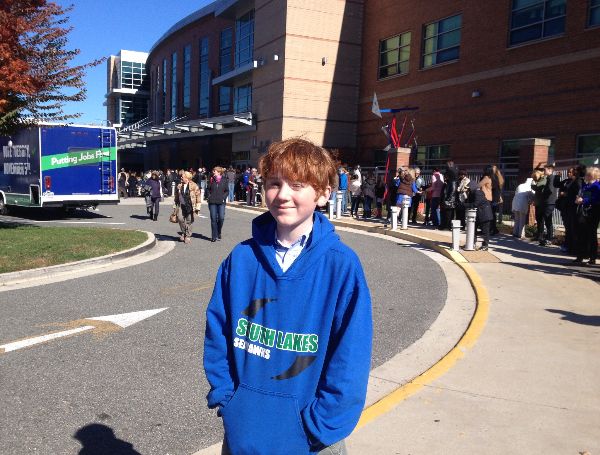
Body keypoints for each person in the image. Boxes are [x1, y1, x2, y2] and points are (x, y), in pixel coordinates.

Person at [203, 138, 372, 455]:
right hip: (245, 430)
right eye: (274, 183)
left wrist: (319, 425)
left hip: (311, 439)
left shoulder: (341, 265)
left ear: (322, 194)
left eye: (297, 185)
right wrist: (229, 399)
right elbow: (218, 333)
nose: (283, 195)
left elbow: (350, 357)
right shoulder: (241, 260)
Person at [573, 166, 600, 265]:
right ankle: (580, 256)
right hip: (583, 211)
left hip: (593, 212)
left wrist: (583, 200)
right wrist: (578, 199)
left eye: (588, 174)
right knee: (581, 234)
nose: (586, 176)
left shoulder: (597, 186)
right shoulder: (585, 186)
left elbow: (596, 199)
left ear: (593, 175)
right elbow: (582, 196)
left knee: (591, 234)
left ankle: (592, 257)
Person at [464, 177, 494, 251]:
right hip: (478, 214)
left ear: (472, 187)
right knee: (473, 230)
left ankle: (485, 246)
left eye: (468, 188)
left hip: (485, 215)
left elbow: (475, 204)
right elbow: (469, 202)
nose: (468, 189)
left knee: (485, 232)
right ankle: (472, 243)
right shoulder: (472, 193)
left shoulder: (478, 193)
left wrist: (463, 205)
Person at [174, 171, 201, 244]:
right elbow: (176, 196)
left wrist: (198, 207)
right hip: (181, 205)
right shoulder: (179, 185)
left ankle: (188, 236)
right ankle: (184, 232)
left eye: (183, 177)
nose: (181, 178)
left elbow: (198, 196)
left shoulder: (194, 185)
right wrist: (175, 205)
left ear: (187, 178)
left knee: (189, 221)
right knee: (180, 219)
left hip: (190, 206)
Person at [206, 166, 229, 242]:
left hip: (221, 202)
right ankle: (214, 236)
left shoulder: (224, 180)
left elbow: (227, 191)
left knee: (221, 218)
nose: (213, 172)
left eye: (214, 171)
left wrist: (223, 197)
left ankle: (218, 231)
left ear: (219, 172)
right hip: (212, 202)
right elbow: (208, 189)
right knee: (213, 219)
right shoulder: (211, 179)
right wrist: (209, 196)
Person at [441, 162, 458, 230]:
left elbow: (453, 190)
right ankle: (445, 225)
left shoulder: (453, 181)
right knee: (446, 214)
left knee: (449, 214)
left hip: (450, 201)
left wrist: (448, 199)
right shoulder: (449, 182)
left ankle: (448, 226)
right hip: (448, 200)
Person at [490, 165, 505, 235]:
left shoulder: (494, 178)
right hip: (496, 197)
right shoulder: (499, 178)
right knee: (493, 214)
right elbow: (499, 190)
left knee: (492, 214)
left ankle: (493, 229)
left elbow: (492, 188)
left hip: (493, 197)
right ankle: (494, 229)